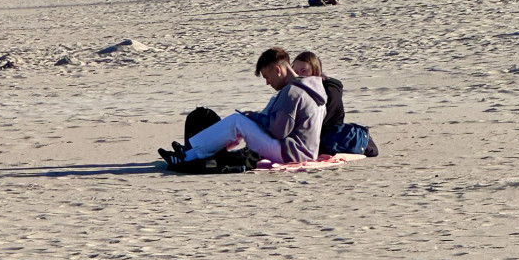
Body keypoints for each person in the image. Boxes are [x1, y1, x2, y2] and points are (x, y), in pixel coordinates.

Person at [158, 47, 327, 171]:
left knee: (236, 121)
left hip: (291, 153)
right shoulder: (313, 88)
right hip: (306, 151)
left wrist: (255, 118)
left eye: (267, 77)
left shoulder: (292, 92)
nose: (268, 82)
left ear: (278, 70)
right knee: (240, 123)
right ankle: (192, 151)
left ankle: (187, 155)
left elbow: (278, 132)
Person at [292, 50, 378, 157]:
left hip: (329, 132)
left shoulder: (330, 89)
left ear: (315, 71)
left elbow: (322, 119)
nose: (298, 75)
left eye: (303, 71)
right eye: (295, 71)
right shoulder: (294, 89)